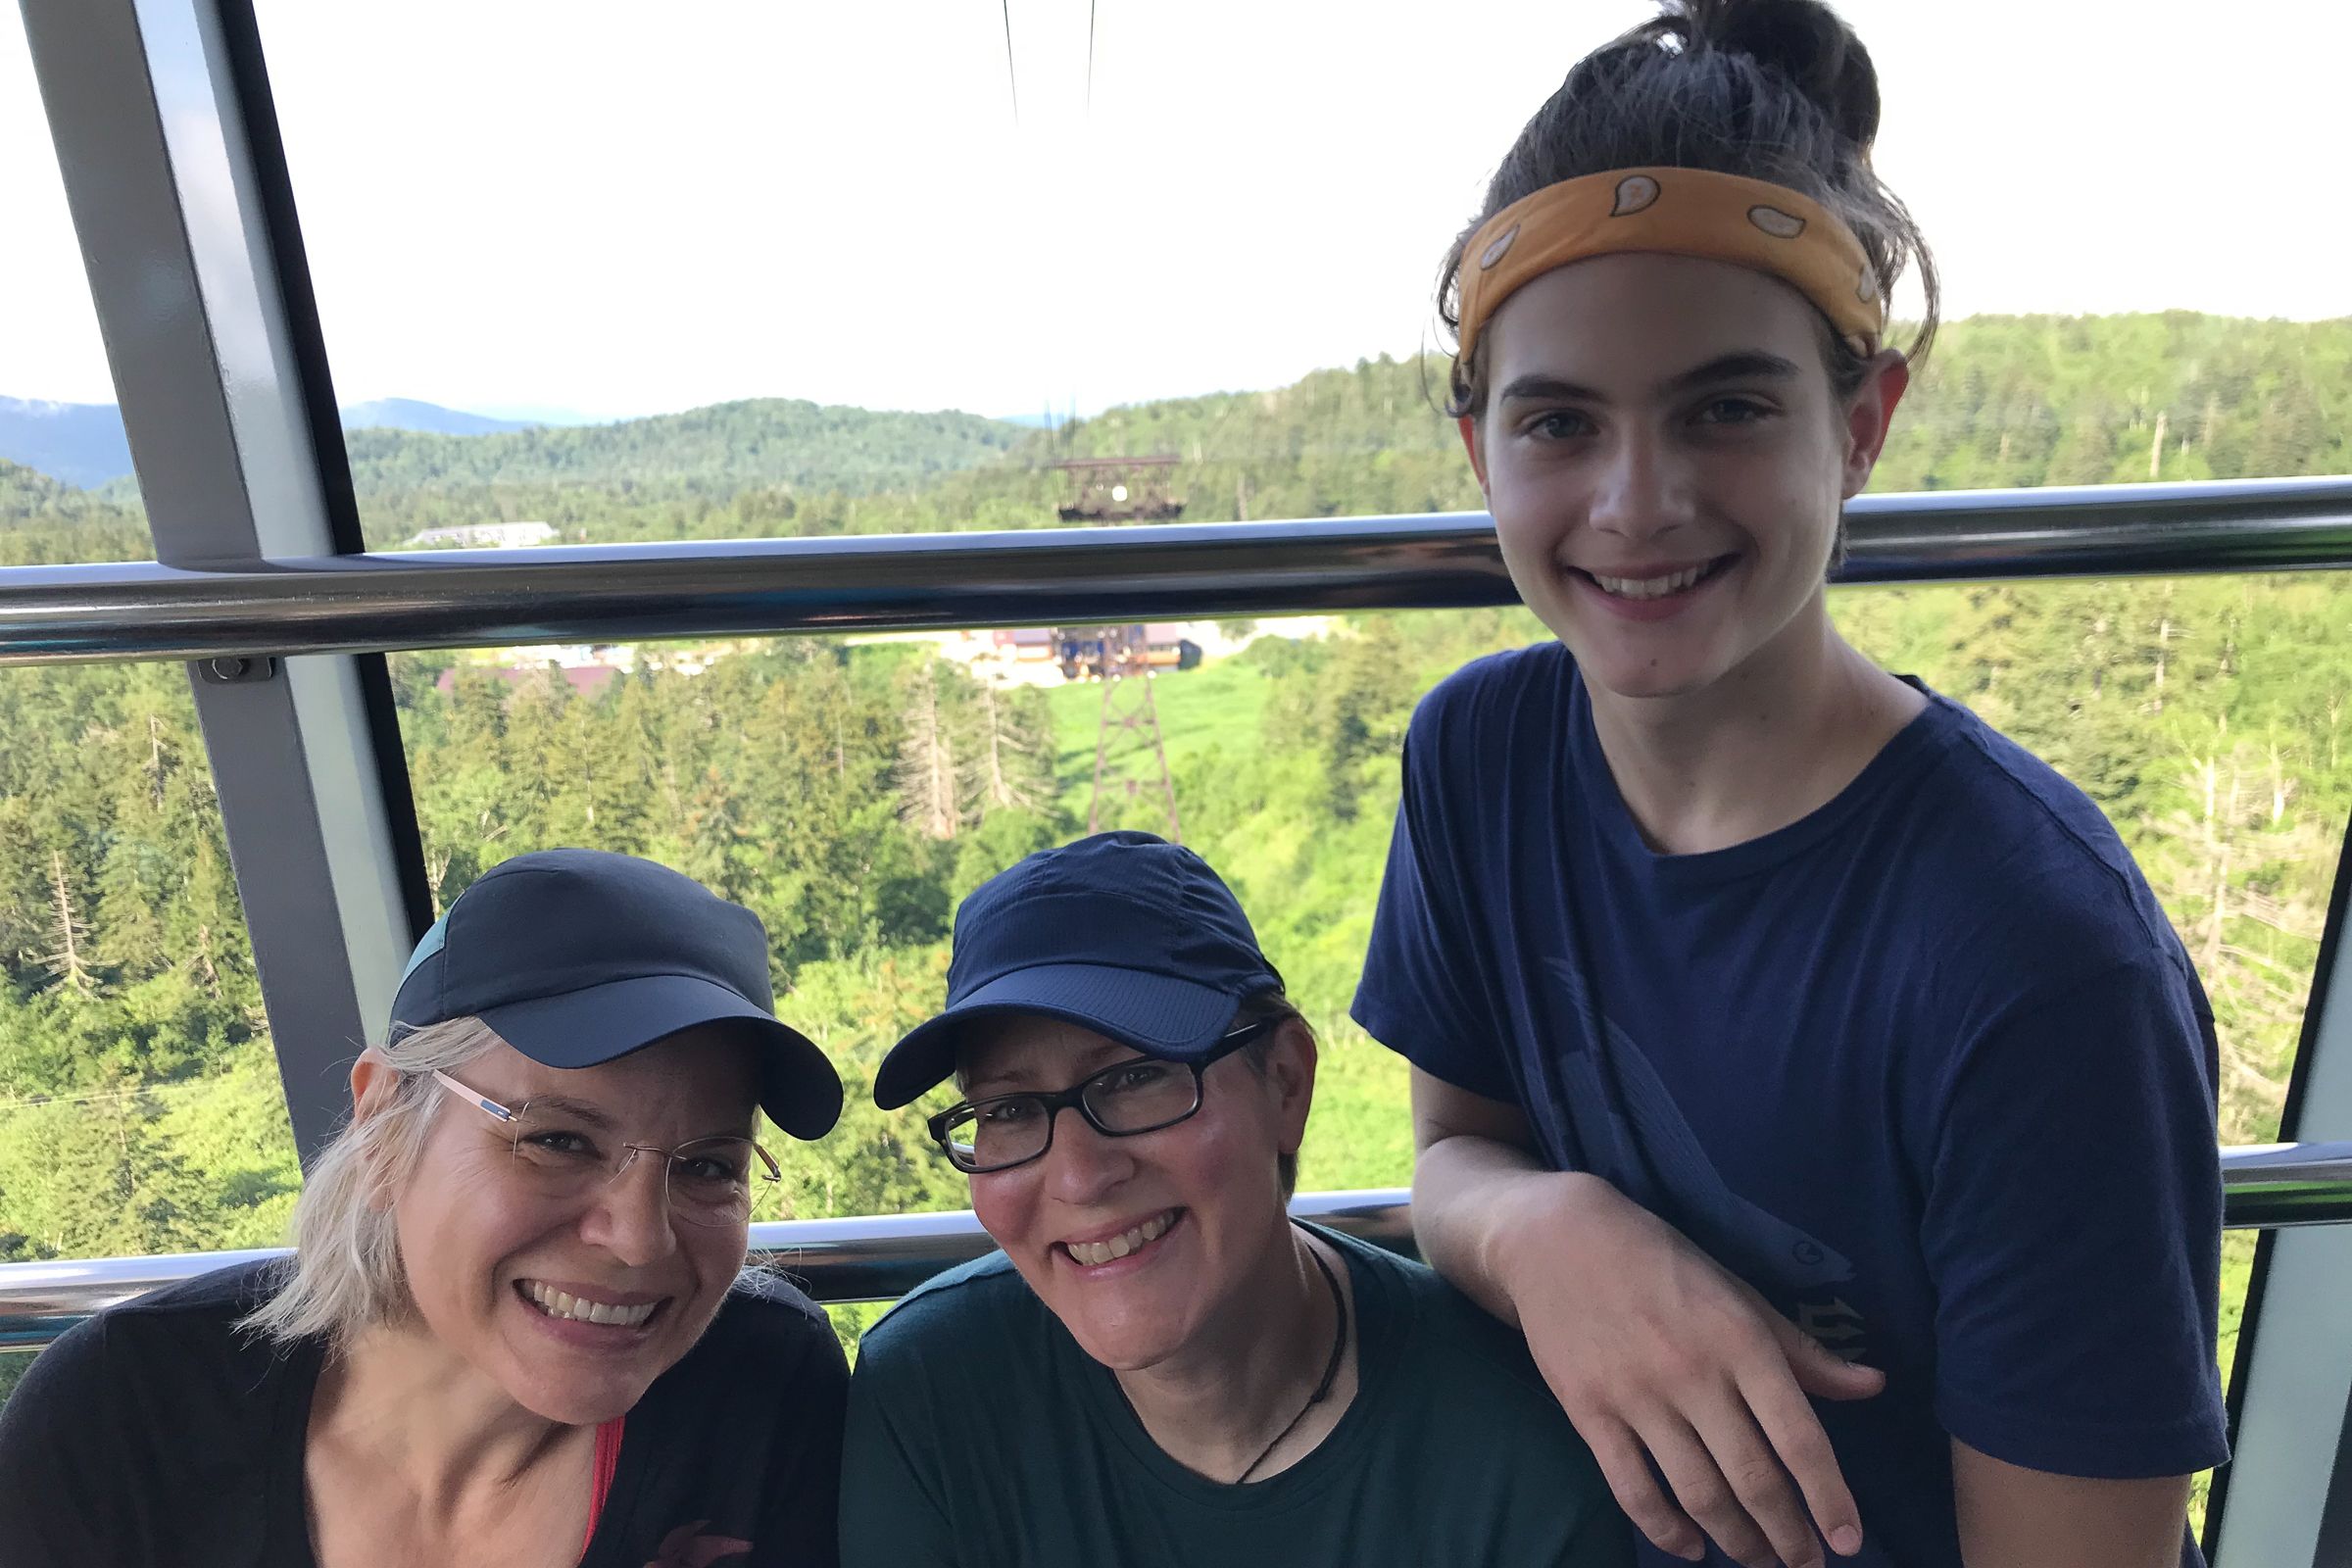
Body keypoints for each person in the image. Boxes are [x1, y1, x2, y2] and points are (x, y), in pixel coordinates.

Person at [1351, 5, 2229, 1567]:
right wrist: (1547, 1231)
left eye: (1728, 407)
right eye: (1561, 421)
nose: (1639, 503)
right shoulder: (1478, 758)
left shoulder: (2036, 963)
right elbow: (1451, 1149)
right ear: (1481, 449)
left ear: (1863, 425)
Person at [0, 849, 851, 1568]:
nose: (636, 1238)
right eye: (558, 1140)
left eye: (706, 1165)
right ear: (381, 1127)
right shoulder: (126, 1416)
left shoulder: (758, 1387)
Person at [839, 830, 1628, 1568]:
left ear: (1285, 1082)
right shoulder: (934, 1394)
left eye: (1135, 1076)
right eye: (1008, 1111)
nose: (1079, 1178)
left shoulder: (1516, 1436)